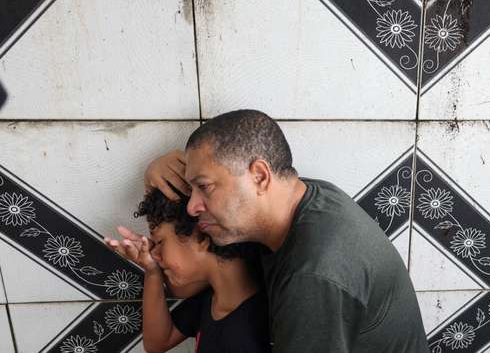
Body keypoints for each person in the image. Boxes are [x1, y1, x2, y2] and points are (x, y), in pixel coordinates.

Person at [120, 109, 428, 352]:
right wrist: (154, 172)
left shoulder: (313, 276)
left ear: (259, 176)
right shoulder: (305, 198)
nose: (192, 207)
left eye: (204, 187)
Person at [105, 189, 270, 353]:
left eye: (160, 242)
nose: (154, 254)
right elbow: (157, 343)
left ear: (203, 235)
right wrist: (152, 270)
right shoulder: (210, 300)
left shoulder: (251, 330)